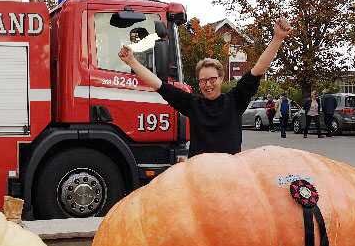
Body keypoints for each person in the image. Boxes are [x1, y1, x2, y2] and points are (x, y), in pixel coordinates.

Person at [118, 18, 293, 156]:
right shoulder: (192, 104)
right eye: (203, 81)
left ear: (221, 78)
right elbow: (159, 85)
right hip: (199, 177)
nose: (207, 84)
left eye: (212, 79)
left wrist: (277, 39)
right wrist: (132, 61)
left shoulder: (235, 100)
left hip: (230, 174)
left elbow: (257, 70)